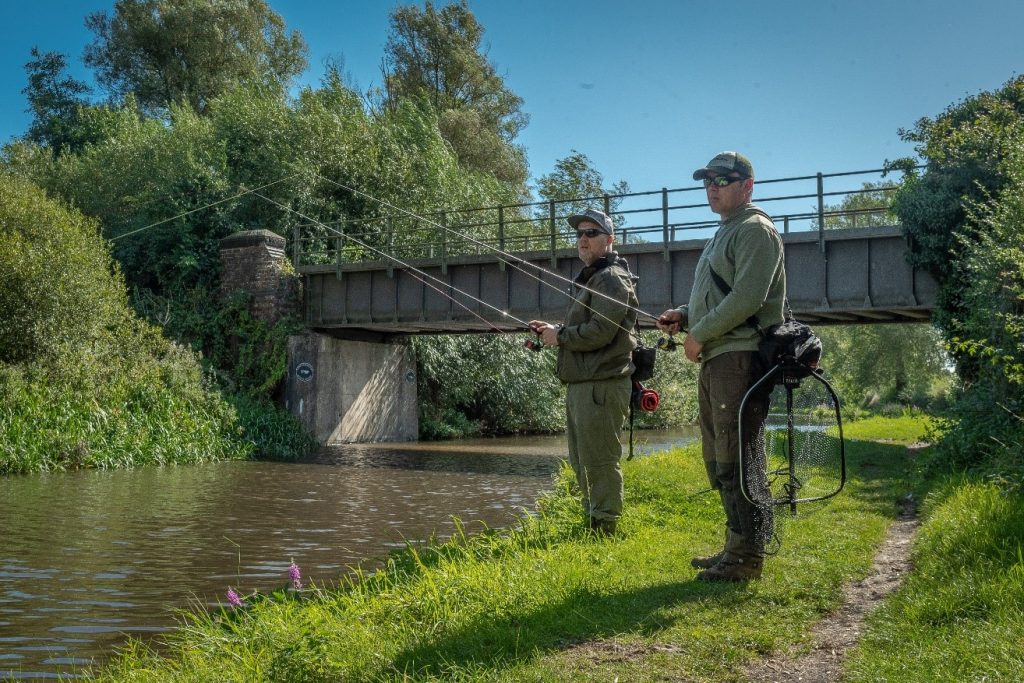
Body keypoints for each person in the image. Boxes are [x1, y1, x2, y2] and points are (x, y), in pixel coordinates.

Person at [657, 151, 786, 581]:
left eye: (723, 179)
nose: (712, 186)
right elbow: (721, 298)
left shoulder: (754, 230)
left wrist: (700, 333)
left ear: (747, 186)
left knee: (737, 457)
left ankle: (747, 558)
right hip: (719, 355)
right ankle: (736, 545)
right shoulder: (725, 232)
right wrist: (684, 315)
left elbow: (748, 300)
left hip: (739, 357)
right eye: (707, 181)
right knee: (719, 457)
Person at [530, 208, 638, 535]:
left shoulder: (612, 278)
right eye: (579, 234)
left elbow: (601, 332)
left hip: (601, 386)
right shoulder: (595, 277)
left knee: (600, 462)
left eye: (591, 233)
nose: (583, 240)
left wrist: (560, 336)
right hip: (584, 385)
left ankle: (604, 528)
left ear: (609, 239)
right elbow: (588, 326)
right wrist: (554, 330)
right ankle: (593, 521)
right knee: (582, 461)